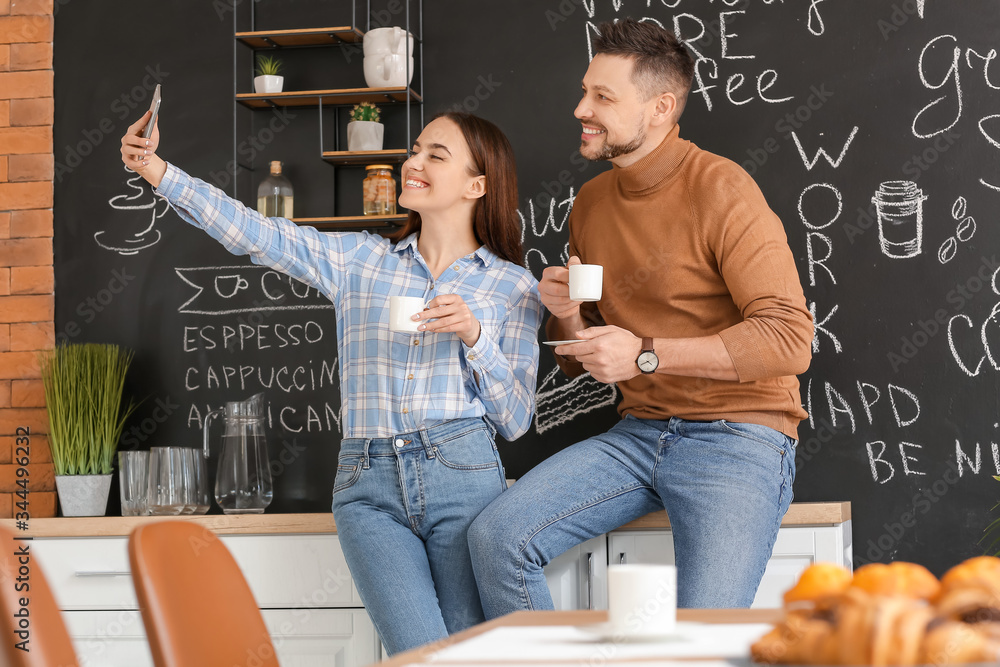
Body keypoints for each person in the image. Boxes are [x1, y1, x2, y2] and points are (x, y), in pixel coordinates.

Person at [120, 110, 542, 654]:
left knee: (464, 652)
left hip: (463, 475)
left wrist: (476, 336)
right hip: (366, 484)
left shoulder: (513, 288)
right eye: (414, 150)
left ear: (477, 185)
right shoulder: (360, 260)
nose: (412, 162)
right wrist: (158, 170)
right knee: (418, 654)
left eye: (436, 155)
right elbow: (256, 232)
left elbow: (514, 420)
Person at [468, 18, 813, 613]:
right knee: (495, 539)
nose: (581, 108)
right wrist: (568, 316)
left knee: (703, 637)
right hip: (639, 433)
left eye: (603, 97)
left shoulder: (723, 189)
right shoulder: (592, 202)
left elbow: (788, 339)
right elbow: (584, 361)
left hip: (738, 437)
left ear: (660, 108)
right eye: (585, 91)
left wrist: (647, 352)